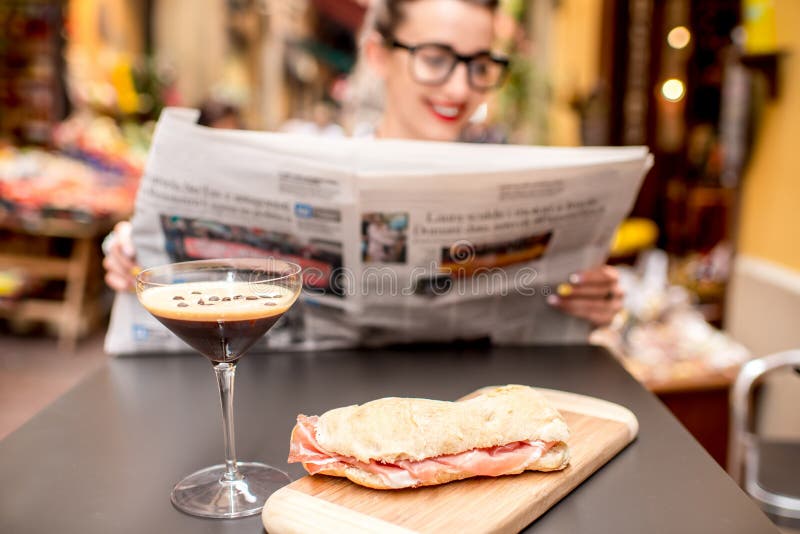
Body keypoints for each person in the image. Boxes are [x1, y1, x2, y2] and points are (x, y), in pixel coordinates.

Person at [103, 0, 622, 329]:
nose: (461, 88)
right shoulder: (310, 150)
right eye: (437, 58)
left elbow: (545, 307)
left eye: (480, 65)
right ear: (377, 55)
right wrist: (136, 249)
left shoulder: (513, 179)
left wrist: (586, 300)